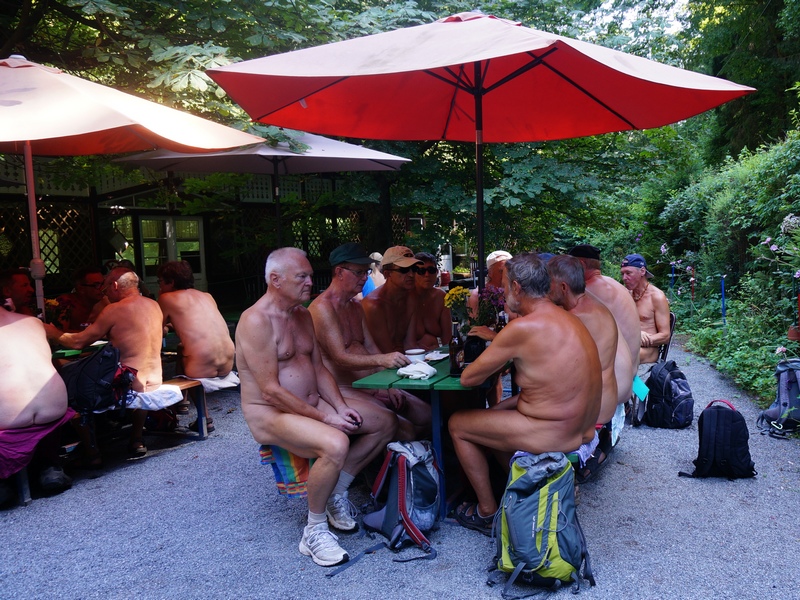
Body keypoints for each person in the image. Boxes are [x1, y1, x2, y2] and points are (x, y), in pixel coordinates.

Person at [236, 247, 396, 567]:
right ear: (275, 280)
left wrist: (338, 407)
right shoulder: (255, 321)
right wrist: (327, 418)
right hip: (270, 412)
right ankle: (314, 530)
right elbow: (270, 391)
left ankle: (336, 491)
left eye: (310, 275)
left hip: (312, 401)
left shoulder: (302, 313)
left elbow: (319, 368)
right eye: (302, 277)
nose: (310, 281)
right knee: (334, 442)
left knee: (383, 421)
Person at [448, 252, 601, 534]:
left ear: (517, 288)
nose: (504, 292)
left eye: (505, 285)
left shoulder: (522, 327)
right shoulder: (570, 319)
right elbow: (548, 389)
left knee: (457, 423)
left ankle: (486, 512)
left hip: (555, 431)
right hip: (583, 429)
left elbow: (469, 378)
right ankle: (531, 493)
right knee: (491, 423)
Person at [309, 243, 431, 440]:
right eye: (358, 273)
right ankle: (383, 467)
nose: (365, 278)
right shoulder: (322, 309)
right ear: (339, 272)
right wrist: (382, 361)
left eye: (366, 272)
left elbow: (371, 347)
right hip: (345, 389)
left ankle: (400, 460)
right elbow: (340, 358)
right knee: (405, 429)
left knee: (427, 414)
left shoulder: (355, 306)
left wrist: (388, 385)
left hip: (370, 383)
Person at [43, 267, 164, 457]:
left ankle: (92, 452)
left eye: (105, 286)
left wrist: (51, 332)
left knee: (70, 390)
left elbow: (78, 342)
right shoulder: (153, 304)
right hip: (155, 379)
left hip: (127, 384)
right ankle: (136, 438)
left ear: (115, 285)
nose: (103, 292)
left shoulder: (114, 309)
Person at [547, 255, 618, 480]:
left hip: (593, 408)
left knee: (514, 412)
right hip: (603, 398)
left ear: (563, 287)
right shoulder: (590, 303)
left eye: (547, 285)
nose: (544, 292)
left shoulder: (574, 317)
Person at [0, 305, 74, 505]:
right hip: (53, 407)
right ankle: (50, 467)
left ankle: (3, 483)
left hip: (9, 418)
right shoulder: (33, 322)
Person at [157, 260, 236, 431]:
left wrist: (165, 327)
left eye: (160, 282)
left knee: (187, 362)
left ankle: (204, 416)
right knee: (181, 348)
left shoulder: (166, 298)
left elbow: (156, 330)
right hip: (228, 360)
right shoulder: (207, 296)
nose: (159, 287)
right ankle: (182, 403)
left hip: (201, 364)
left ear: (171, 281)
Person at [569, 244, 639, 407]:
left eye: (569, 265)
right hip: (629, 372)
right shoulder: (613, 284)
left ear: (581, 264)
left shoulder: (590, 289)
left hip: (617, 378)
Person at [362, 246, 422, 353]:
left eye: (414, 269)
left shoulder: (411, 298)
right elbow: (386, 352)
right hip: (380, 363)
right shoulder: (373, 305)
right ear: (387, 274)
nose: (411, 275)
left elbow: (411, 344)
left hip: (401, 358)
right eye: (404, 270)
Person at [620, 254, 671, 374]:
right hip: (627, 345)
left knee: (620, 360)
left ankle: (640, 392)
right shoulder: (625, 294)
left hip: (648, 350)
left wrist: (637, 339)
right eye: (622, 273)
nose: (624, 278)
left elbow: (665, 336)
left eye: (628, 273)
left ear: (642, 271)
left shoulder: (657, 297)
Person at [466, 250, 512, 341]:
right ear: (490, 272)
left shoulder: (516, 293)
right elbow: (473, 326)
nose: (506, 274)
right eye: (501, 271)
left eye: (510, 271)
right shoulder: (478, 295)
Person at [412, 251, 452, 350]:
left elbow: (448, 338)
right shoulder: (405, 298)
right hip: (412, 358)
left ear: (437, 272)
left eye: (431, 270)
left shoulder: (440, 297)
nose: (427, 274)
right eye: (421, 271)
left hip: (436, 355)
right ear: (413, 273)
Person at [51, 266, 109, 332]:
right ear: (80, 288)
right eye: (96, 285)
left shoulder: (106, 303)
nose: (102, 289)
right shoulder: (65, 302)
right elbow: (60, 332)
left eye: (103, 284)